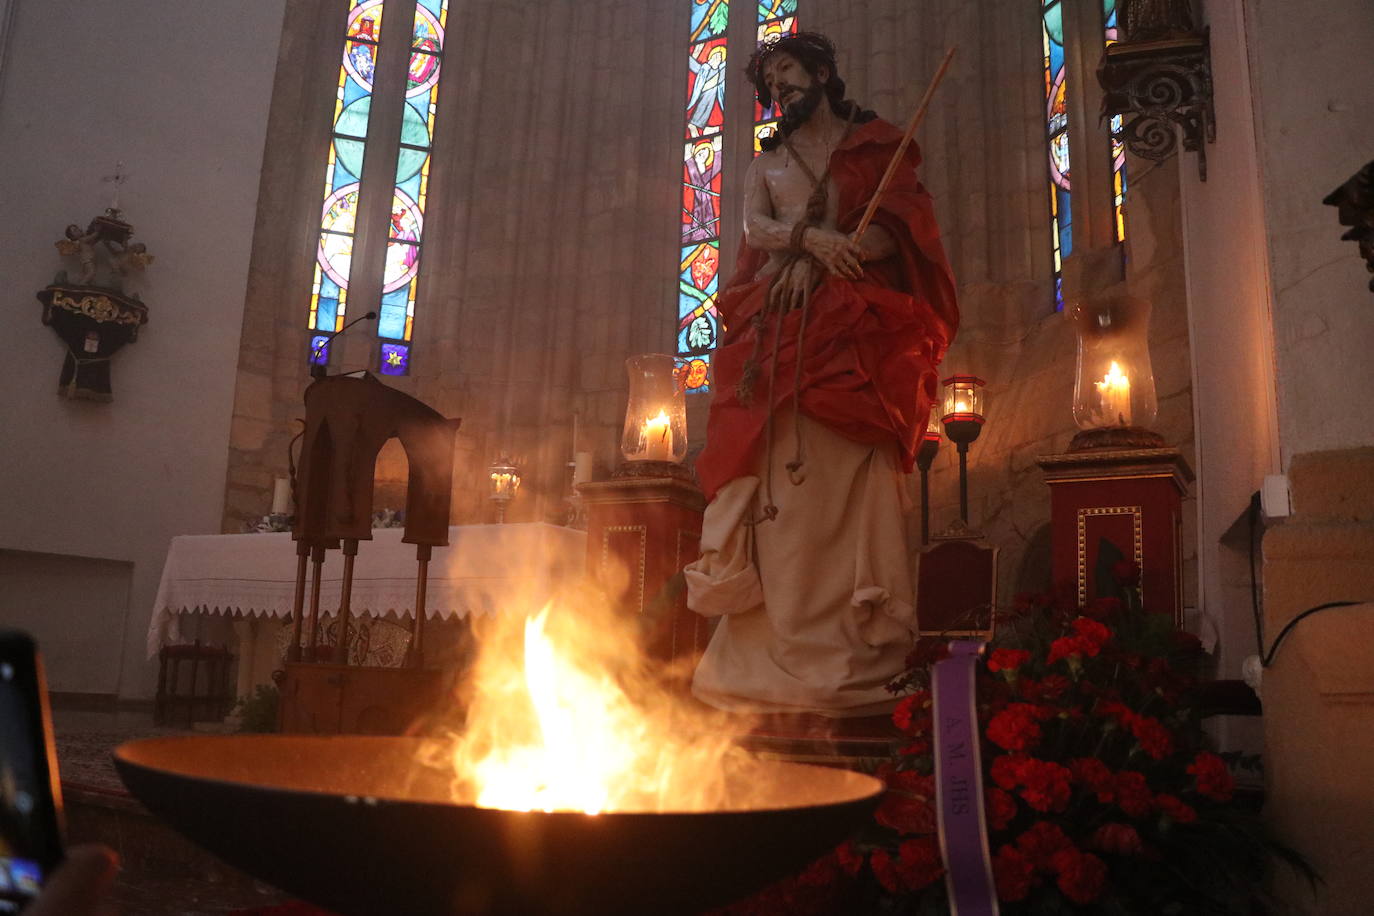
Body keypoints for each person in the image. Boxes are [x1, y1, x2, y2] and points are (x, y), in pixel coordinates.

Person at [684, 32, 958, 717]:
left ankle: (853, 644)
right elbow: (754, 229)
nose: (780, 91)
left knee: (848, 484)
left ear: (823, 73)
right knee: (772, 486)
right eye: (771, 85)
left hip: (851, 332)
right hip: (779, 325)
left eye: (788, 76)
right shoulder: (766, 162)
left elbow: (902, 220)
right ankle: (764, 649)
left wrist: (857, 248)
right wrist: (811, 242)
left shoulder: (874, 147)